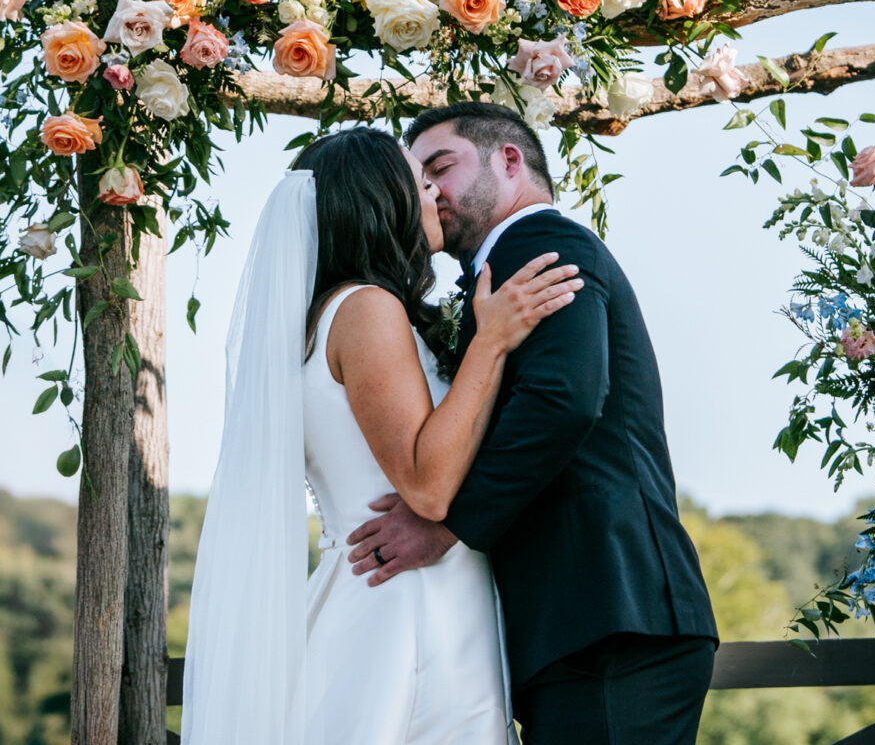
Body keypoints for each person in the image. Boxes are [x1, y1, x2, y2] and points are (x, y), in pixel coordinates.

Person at [181, 127, 582, 744]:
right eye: (421, 184)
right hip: (406, 609)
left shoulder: (328, 316)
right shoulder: (366, 307)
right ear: (384, 201)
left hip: (399, 593)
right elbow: (427, 487)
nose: (436, 198)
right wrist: (493, 340)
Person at [346, 102, 720, 745]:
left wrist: (450, 525)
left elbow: (563, 398)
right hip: (581, 619)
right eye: (422, 180)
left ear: (510, 161)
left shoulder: (542, 244)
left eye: (441, 167)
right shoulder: (494, 273)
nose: (431, 192)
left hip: (609, 612)